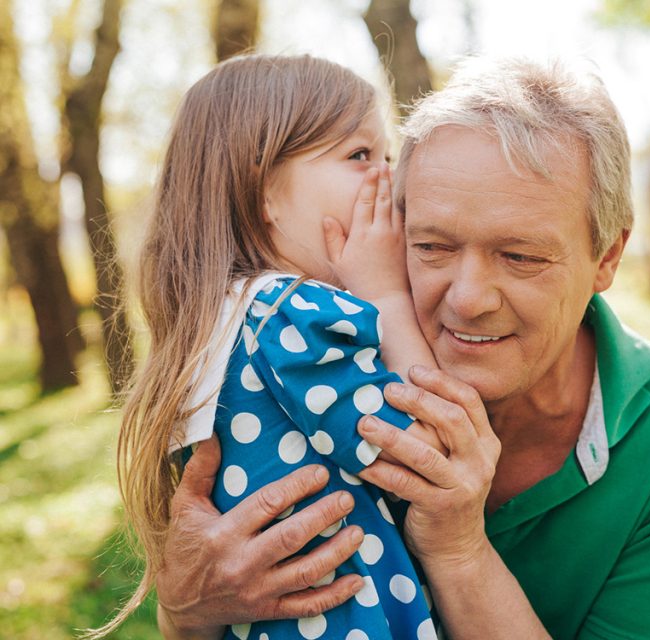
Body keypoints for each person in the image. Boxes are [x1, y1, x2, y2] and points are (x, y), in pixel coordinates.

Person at [154, 57, 650, 640]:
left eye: (520, 257)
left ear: (607, 257)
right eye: (432, 247)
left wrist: (459, 549)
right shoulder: (328, 352)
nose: (467, 300)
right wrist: (186, 617)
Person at [102, 55, 446, 640]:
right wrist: (386, 291)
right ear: (264, 192)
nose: (389, 181)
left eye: (386, 157)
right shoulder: (293, 313)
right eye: (360, 155)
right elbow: (430, 452)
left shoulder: (224, 318)